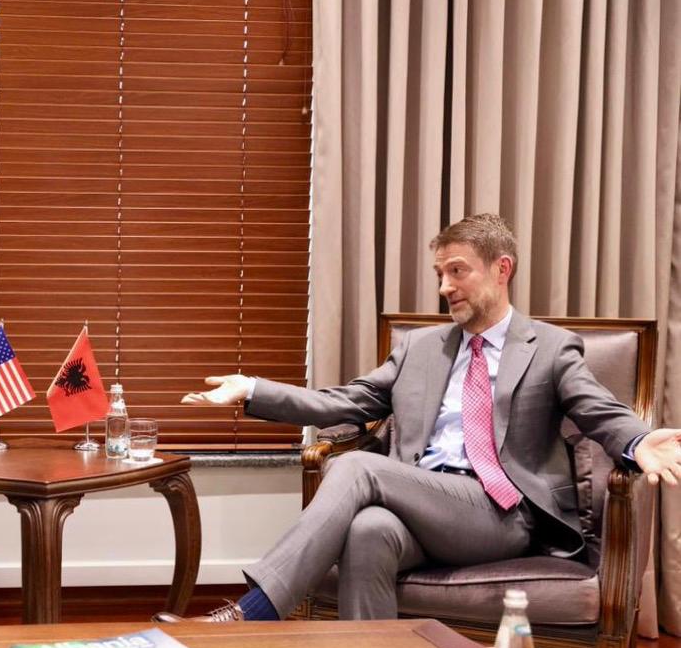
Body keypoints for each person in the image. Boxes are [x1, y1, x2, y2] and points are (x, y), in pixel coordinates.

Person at [158, 213, 681, 623]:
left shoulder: (549, 347)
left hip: (500, 514)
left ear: (502, 269)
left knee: (355, 466)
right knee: (369, 530)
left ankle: (254, 611)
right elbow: (346, 402)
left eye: (458, 271)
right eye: (440, 274)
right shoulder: (421, 348)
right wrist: (253, 389)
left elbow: (595, 406)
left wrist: (638, 441)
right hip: (421, 504)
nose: (445, 287)